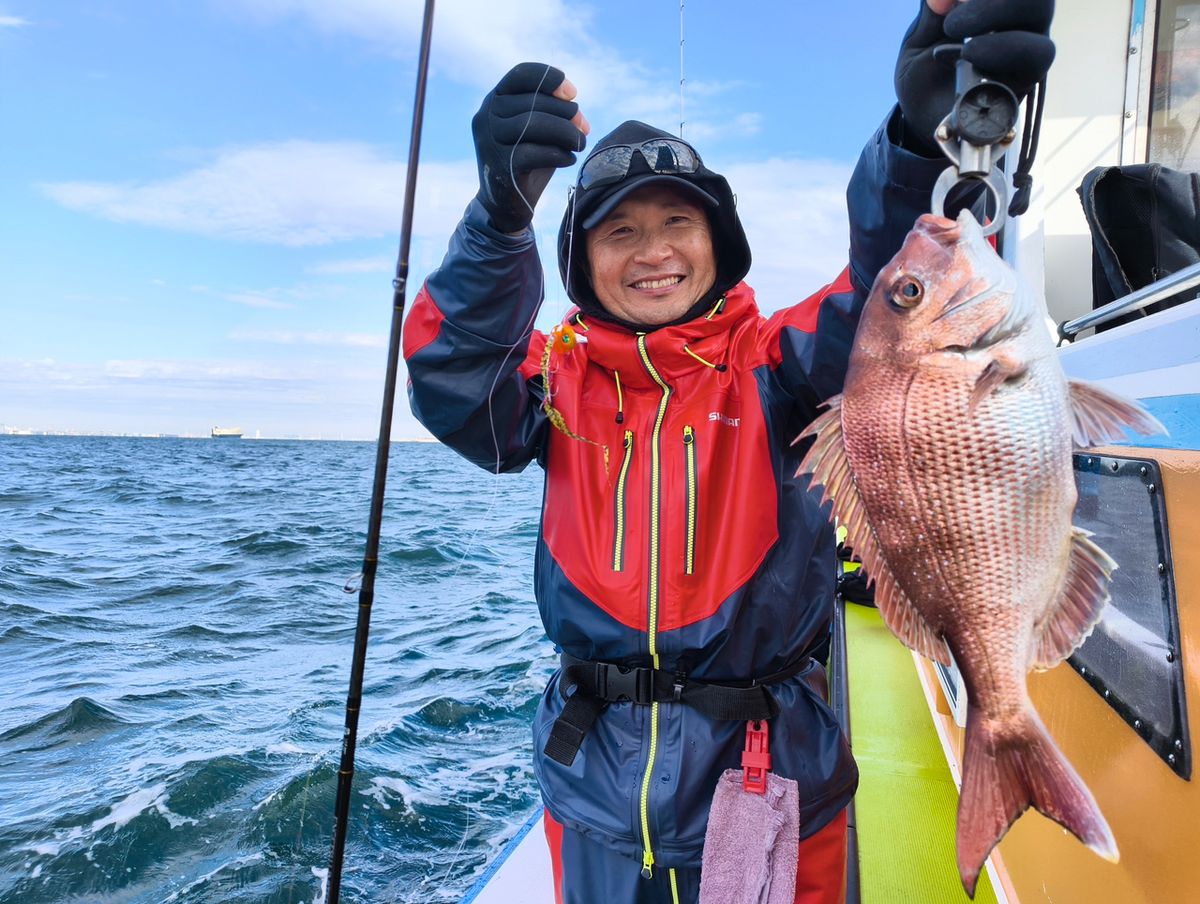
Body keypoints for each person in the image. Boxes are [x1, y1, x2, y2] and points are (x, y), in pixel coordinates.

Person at [403, 1, 1054, 901]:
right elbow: (449, 379)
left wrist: (915, 140)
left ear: (720, 242)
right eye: (619, 231)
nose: (653, 252)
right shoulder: (556, 385)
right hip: (592, 789)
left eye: (679, 222)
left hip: (770, 771)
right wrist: (497, 219)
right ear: (582, 261)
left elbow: (890, 290)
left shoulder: (781, 362)